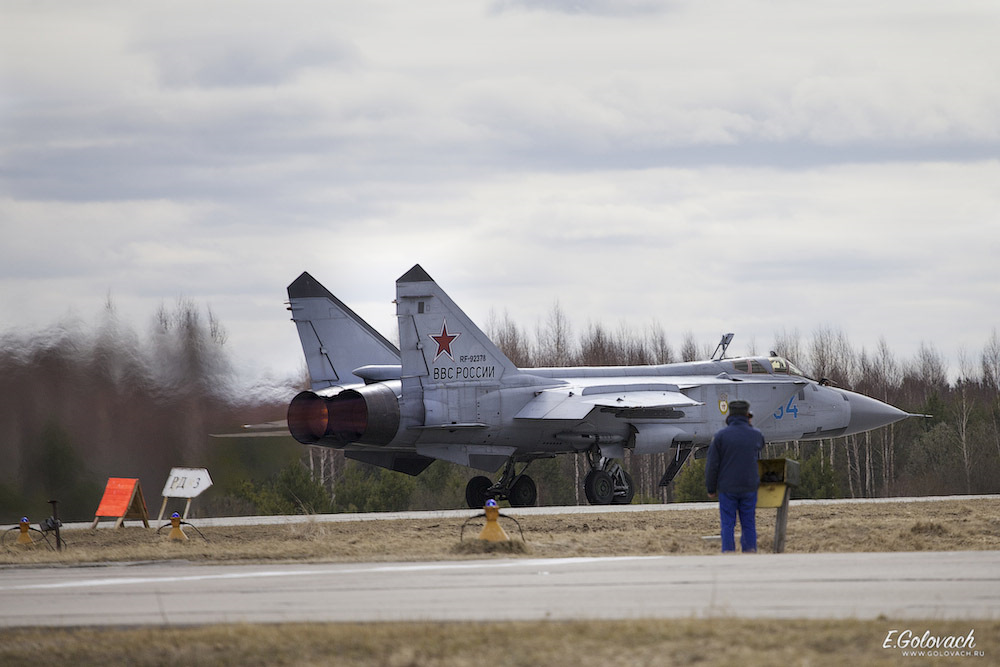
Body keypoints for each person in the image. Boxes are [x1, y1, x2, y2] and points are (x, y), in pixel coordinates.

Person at [705, 399, 765, 553]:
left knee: (727, 523)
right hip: (749, 486)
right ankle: (750, 551)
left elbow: (712, 465)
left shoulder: (720, 436)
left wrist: (711, 488)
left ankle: (728, 552)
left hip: (727, 487)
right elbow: (759, 447)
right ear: (747, 415)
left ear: (729, 415)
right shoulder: (756, 435)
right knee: (748, 523)